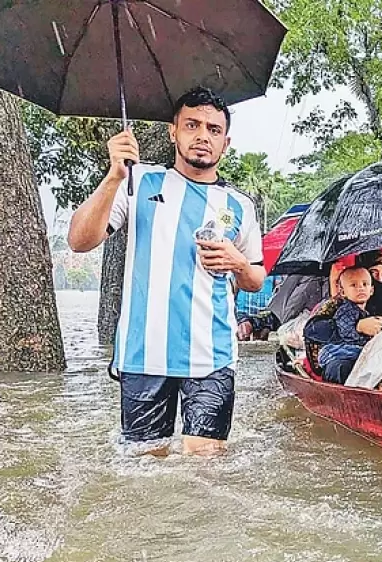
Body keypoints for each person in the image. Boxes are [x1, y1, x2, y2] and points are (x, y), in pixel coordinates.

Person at [67, 87, 265, 456]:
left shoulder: (240, 205)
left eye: (213, 129)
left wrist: (236, 262)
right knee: (147, 470)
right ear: (173, 132)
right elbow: (79, 241)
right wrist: (113, 177)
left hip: (212, 355)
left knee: (205, 466)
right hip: (144, 353)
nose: (203, 136)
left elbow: (255, 278)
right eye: (192, 125)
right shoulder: (137, 182)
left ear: (226, 142)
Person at [318, 267, 382, 383]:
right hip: (342, 351)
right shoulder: (345, 310)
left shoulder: (368, 312)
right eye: (354, 285)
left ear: (371, 290)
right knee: (342, 368)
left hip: (360, 351)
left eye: (365, 284)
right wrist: (360, 328)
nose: (360, 288)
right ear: (343, 292)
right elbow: (345, 332)